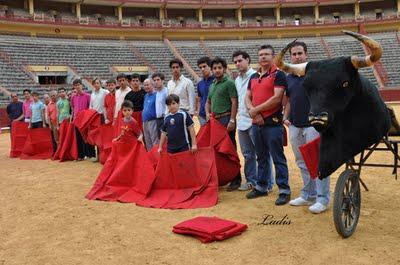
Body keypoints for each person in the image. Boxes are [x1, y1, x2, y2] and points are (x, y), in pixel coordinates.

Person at [283, 41, 330, 214]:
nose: (296, 57)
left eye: (299, 53)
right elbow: (289, 100)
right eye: (294, 54)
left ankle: (322, 198)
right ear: (290, 57)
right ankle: (308, 194)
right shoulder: (289, 77)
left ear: (306, 54)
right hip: (295, 124)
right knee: (301, 161)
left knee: (317, 161)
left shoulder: (316, 73)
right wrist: (285, 116)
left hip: (313, 124)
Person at [245, 44, 291, 205]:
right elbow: (247, 98)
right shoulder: (253, 77)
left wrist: (255, 110)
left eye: (266, 54)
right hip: (256, 123)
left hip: (273, 123)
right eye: (260, 55)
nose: (263, 57)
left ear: (273, 57)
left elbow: (277, 99)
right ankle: (262, 187)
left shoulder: (278, 75)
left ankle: (284, 190)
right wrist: (254, 113)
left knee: (278, 157)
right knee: (261, 157)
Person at [205, 57, 241, 191]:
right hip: (216, 120)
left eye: (220, 68)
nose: (217, 70)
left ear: (224, 69)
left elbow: (234, 102)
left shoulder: (229, 83)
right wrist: (207, 113)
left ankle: (236, 179)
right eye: (214, 68)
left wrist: (232, 120)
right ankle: (226, 176)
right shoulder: (212, 84)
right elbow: (207, 102)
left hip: (226, 118)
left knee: (230, 149)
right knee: (218, 150)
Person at [232, 50, 258, 191]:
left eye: (240, 60)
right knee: (248, 154)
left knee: (261, 153)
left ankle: (266, 182)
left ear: (248, 60)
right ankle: (251, 181)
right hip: (242, 121)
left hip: (254, 120)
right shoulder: (237, 80)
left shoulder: (255, 76)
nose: (238, 64)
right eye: (235, 62)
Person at [70, 79, 95, 161]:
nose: (77, 86)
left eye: (79, 85)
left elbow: (89, 107)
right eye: (76, 85)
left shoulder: (88, 96)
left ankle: (91, 154)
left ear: (82, 85)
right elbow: (73, 109)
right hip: (76, 120)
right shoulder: (73, 97)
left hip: (85, 120)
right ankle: (81, 155)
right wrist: (72, 119)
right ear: (74, 86)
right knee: (78, 138)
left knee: (87, 137)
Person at [196, 56, 214, 126]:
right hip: (202, 116)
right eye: (200, 67)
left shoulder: (216, 81)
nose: (202, 69)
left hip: (214, 115)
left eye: (204, 66)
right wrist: (198, 112)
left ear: (210, 67)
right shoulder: (200, 83)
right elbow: (200, 99)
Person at [142, 79, 159, 151]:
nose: (146, 86)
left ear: (152, 85)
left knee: (154, 141)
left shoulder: (157, 95)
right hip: (145, 122)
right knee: (147, 141)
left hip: (153, 121)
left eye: (148, 85)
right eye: (145, 85)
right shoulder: (145, 96)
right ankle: (151, 159)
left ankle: (157, 159)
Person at [152, 72, 168, 138]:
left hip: (165, 118)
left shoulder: (167, 91)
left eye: (158, 80)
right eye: (154, 80)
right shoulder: (156, 93)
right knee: (160, 138)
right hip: (158, 119)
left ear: (163, 81)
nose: (156, 82)